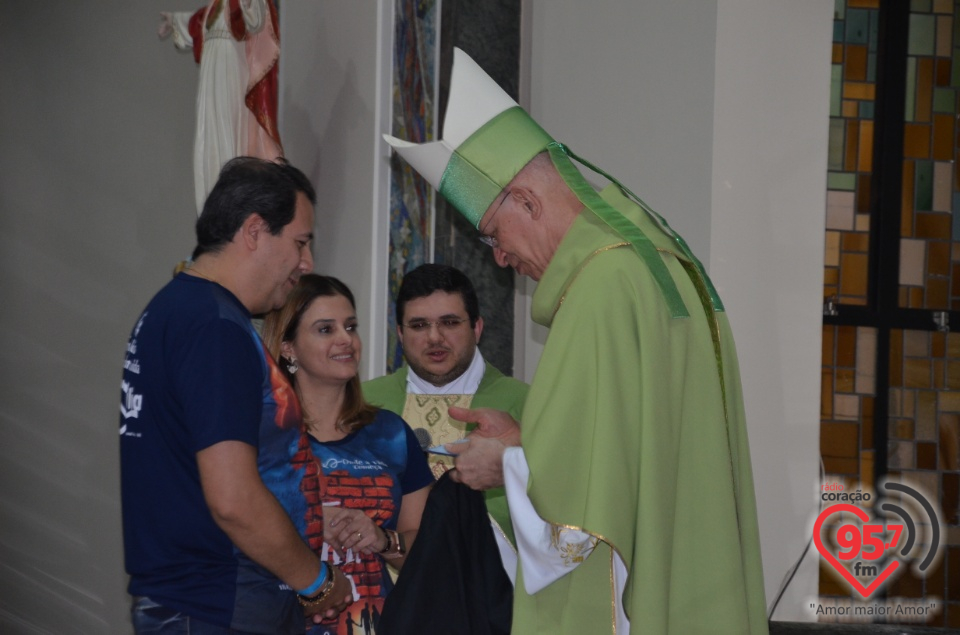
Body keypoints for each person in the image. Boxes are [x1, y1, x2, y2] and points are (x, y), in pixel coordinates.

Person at [383, 48, 768, 634]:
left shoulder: (600, 287)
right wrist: (527, 441)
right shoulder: (660, 261)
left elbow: (581, 516)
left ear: (529, 201)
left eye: (493, 236)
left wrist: (508, 464)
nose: (503, 258)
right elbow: (632, 451)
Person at [119, 157, 351, 634]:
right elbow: (233, 497)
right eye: (300, 242)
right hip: (215, 604)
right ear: (254, 230)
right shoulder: (215, 329)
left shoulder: (174, 308)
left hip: (194, 601)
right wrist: (319, 583)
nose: (306, 263)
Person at [261, 274, 434, 635]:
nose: (346, 340)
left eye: (350, 326)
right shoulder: (261, 434)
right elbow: (232, 528)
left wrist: (383, 539)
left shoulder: (391, 434)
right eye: (326, 329)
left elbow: (428, 553)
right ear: (288, 347)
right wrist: (305, 522)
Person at [363, 263, 528, 562]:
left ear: (477, 328)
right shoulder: (366, 403)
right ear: (400, 333)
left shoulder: (525, 403)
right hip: (383, 594)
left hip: (492, 591)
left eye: (450, 322)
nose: (434, 338)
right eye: (419, 325)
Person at [159, 0, 283, 215]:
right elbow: (196, 23)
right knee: (209, 138)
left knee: (230, 134)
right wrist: (174, 20)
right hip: (211, 83)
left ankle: (232, 205)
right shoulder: (213, 7)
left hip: (232, 77)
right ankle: (212, 206)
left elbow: (256, 20)